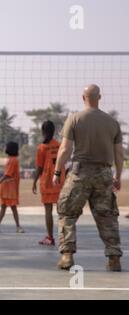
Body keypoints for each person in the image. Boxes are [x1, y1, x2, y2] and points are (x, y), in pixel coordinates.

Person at [54, 84, 124, 271]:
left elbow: (65, 149)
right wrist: (118, 175)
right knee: (107, 216)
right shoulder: (112, 122)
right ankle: (114, 257)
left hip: (80, 173)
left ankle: (67, 256)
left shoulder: (74, 119)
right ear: (99, 97)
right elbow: (119, 153)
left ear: (82, 97)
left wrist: (57, 171)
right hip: (104, 174)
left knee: (67, 213)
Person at [32, 121, 65, 246]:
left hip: (47, 182)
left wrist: (34, 182)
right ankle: (64, 237)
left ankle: (50, 238)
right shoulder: (60, 145)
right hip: (59, 181)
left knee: (48, 210)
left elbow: (39, 168)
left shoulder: (42, 147)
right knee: (62, 211)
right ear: (54, 131)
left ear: (43, 131)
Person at [0, 142, 24, 233]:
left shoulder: (13, 160)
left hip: (10, 188)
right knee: (4, 206)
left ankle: (18, 227)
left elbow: (7, 175)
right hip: (8, 187)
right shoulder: (11, 159)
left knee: (12, 207)